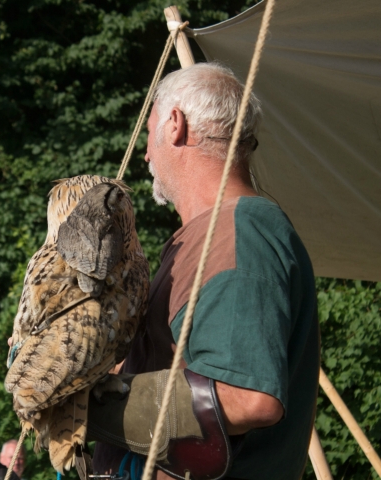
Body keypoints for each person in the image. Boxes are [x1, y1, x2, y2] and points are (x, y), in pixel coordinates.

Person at [89, 62, 319, 480]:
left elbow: (247, 397)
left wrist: (83, 405)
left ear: (174, 125)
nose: (145, 153)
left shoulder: (241, 234)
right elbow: (164, 372)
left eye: (149, 135)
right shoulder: (209, 235)